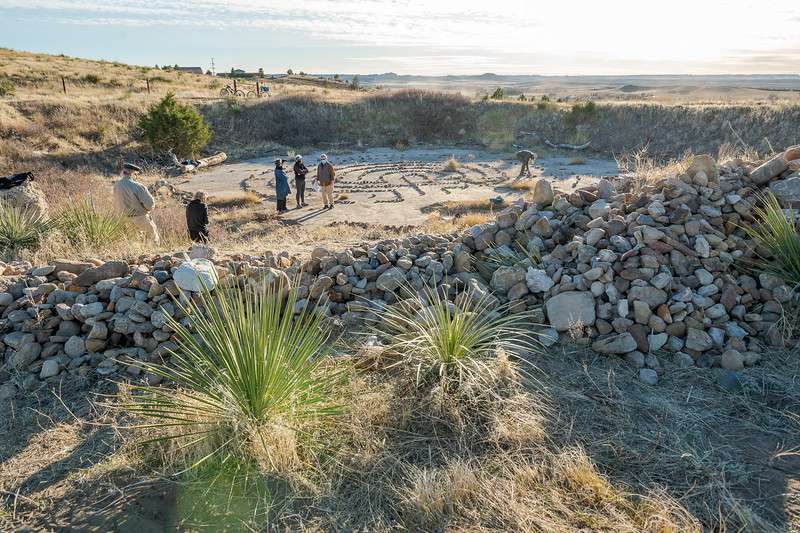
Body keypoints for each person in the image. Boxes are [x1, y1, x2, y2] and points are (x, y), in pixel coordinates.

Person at [113, 162, 160, 245]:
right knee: (153, 240)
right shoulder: (138, 186)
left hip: (123, 219)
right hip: (140, 218)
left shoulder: (117, 185)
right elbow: (150, 204)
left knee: (133, 243)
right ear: (133, 173)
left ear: (123, 172)